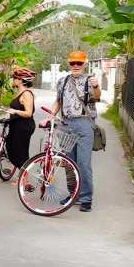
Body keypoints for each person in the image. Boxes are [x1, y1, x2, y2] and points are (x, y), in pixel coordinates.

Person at [53, 50, 100, 212]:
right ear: (69, 64)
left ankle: (86, 198)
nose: (75, 66)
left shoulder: (90, 80)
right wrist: (50, 116)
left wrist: (96, 86)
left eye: (79, 63)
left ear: (84, 64)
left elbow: (98, 97)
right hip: (66, 124)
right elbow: (58, 101)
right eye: (73, 63)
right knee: (68, 163)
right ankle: (74, 194)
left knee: (83, 163)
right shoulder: (62, 81)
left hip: (84, 123)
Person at [5, 67, 36, 173]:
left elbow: (28, 113)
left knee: (21, 152)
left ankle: (25, 180)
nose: (13, 79)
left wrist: (15, 112)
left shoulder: (27, 94)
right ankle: (22, 174)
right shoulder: (19, 93)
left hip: (24, 126)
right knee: (10, 147)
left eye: (15, 77)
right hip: (16, 125)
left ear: (21, 80)